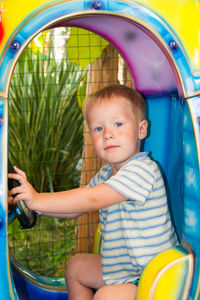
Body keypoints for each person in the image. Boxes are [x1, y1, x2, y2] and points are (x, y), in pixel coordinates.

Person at [8, 84, 178, 300]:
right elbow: (75, 208)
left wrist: (38, 199)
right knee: (76, 267)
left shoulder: (143, 170)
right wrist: (35, 206)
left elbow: (91, 199)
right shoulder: (107, 173)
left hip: (151, 276)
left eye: (118, 124)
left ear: (141, 130)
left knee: (106, 296)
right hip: (123, 270)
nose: (108, 134)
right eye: (99, 128)